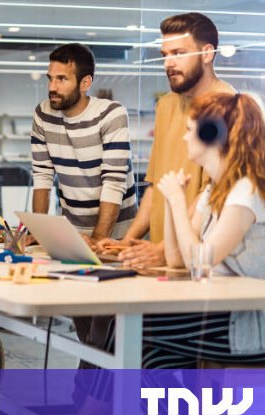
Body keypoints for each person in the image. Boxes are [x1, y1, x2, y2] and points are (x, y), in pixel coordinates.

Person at [66, 92, 265, 415]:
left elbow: (199, 262)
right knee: (146, 357)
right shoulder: (214, 189)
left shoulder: (245, 191)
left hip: (244, 326)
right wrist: (174, 207)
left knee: (129, 332)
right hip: (215, 313)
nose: (185, 137)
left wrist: (173, 200)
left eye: (191, 130)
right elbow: (176, 258)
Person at [95, 12, 235, 268]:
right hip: (159, 258)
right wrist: (127, 241)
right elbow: (154, 186)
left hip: (198, 261)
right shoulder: (167, 105)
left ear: (207, 53)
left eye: (179, 53)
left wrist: (164, 251)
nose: (168, 64)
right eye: (165, 56)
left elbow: (210, 195)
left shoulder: (228, 107)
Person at [31, 43, 137, 244]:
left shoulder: (111, 114)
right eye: (50, 78)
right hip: (73, 235)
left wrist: (98, 240)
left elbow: (113, 183)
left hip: (119, 237)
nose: (52, 87)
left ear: (85, 83)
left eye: (62, 79)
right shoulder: (43, 114)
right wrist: (40, 233)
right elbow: (42, 176)